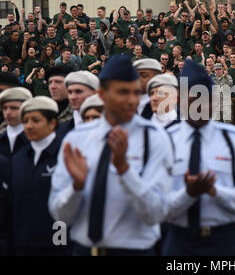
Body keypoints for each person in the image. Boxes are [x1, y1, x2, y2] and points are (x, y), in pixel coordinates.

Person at [49, 54, 173, 256]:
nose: (132, 100)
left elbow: (156, 213)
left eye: (135, 92)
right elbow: (59, 214)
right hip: (84, 250)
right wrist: (76, 187)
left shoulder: (154, 139)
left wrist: (125, 171)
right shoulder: (77, 139)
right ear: (102, 94)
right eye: (123, 92)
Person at [162, 59, 235, 256]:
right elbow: (152, 206)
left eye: (205, 98)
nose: (199, 105)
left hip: (225, 241)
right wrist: (187, 195)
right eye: (193, 98)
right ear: (180, 100)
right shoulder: (166, 140)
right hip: (179, 242)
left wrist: (215, 192)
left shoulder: (233, 139)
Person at [11, 96, 71, 255]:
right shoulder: (18, 159)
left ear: (52, 123)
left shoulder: (65, 156)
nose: (29, 126)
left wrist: (62, 243)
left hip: (56, 244)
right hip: (22, 243)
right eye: (25, 121)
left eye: (35, 120)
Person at [58, 71, 99, 136]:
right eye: (70, 92)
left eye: (78, 91)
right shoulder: (61, 130)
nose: (73, 97)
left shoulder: (111, 125)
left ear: (95, 93)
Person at [0, 87, 32, 162]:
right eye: (5, 108)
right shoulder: (2, 138)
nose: (8, 113)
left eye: (13, 108)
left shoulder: (35, 139)